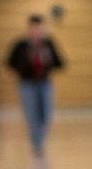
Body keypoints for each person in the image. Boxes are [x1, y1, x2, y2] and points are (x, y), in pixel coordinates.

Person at [5, 14, 64, 156]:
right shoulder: (21, 44)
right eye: (34, 28)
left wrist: (49, 62)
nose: (37, 31)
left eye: (40, 28)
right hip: (27, 84)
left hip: (45, 83)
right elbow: (10, 62)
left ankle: (39, 139)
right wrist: (22, 68)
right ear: (29, 29)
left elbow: (59, 62)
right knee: (32, 115)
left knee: (46, 114)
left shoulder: (48, 43)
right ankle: (37, 144)